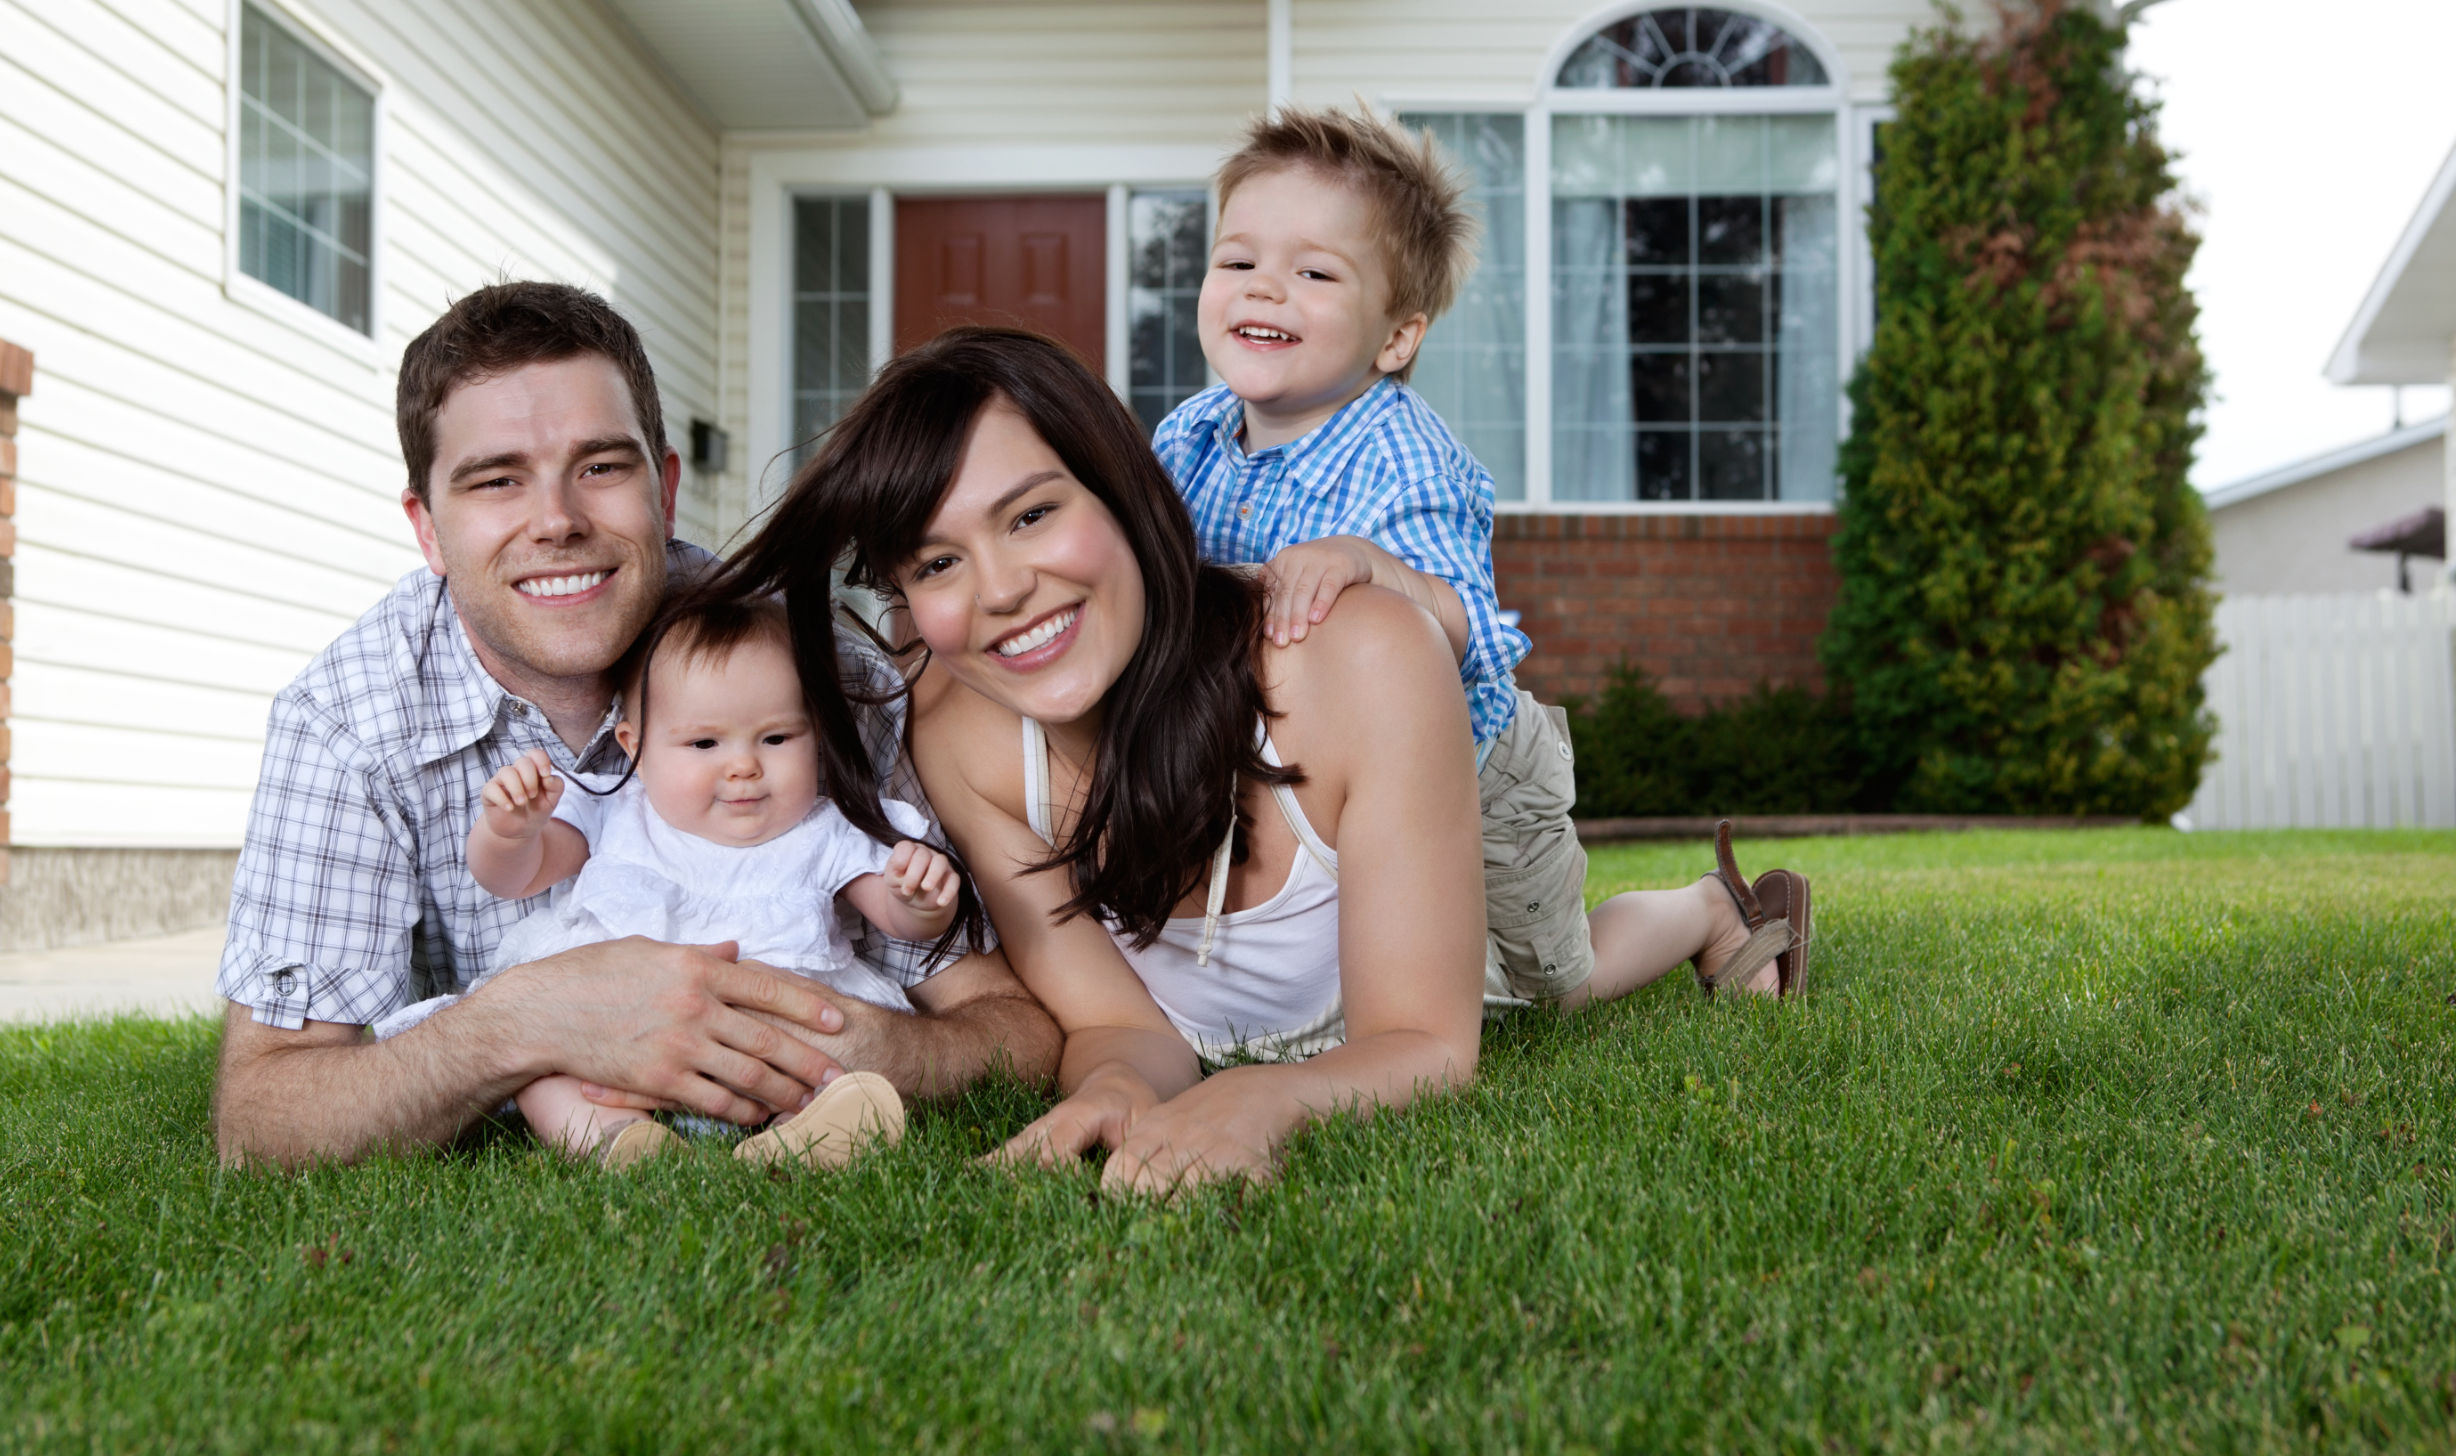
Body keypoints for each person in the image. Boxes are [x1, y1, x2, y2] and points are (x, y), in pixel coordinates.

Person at [718, 329, 1810, 1195]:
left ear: (1126, 491)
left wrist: (1269, 1098)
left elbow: (1424, 1040)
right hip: (1262, 1004)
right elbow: (1121, 1024)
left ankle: (1701, 910)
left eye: (1034, 513)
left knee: (1552, 982)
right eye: (940, 561)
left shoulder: (1357, 659)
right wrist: (1109, 1087)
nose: (1000, 588)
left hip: (1404, 949)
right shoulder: (962, 736)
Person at [209, 282, 1060, 1169]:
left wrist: (849, 1042)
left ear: (665, 490)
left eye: (602, 467)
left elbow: (1011, 1031)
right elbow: (263, 1118)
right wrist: (531, 1022)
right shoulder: (348, 725)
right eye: (498, 480)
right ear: (427, 529)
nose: (558, 522)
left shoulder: (815, 681)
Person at [1151, 105, 1601, 1005]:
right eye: (1237, 261)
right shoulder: (1190, 434)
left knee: (1546, 984)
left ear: (1397, 337)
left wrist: (1370, 562)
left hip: (1474, 774)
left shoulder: (1402, 458)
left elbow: (1473, 629)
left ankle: (1707, 911)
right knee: (1366, 973)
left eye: (1313, 271)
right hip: (1319, 777)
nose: (1263, 288)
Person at [420, 585, 966, 1169]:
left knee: (836, 1069)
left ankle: (791, 1142)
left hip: (772, 1055)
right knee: (545, 1074)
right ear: (635, 746)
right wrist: (511, 832)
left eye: (777, 738)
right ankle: (620, 1142)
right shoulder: (615, 811)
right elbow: (516, 876)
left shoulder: (824, 830)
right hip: (615, 1048)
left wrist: (919, 895)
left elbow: (898, 917)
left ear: (816, 737)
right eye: (704, 742)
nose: (744, 766)